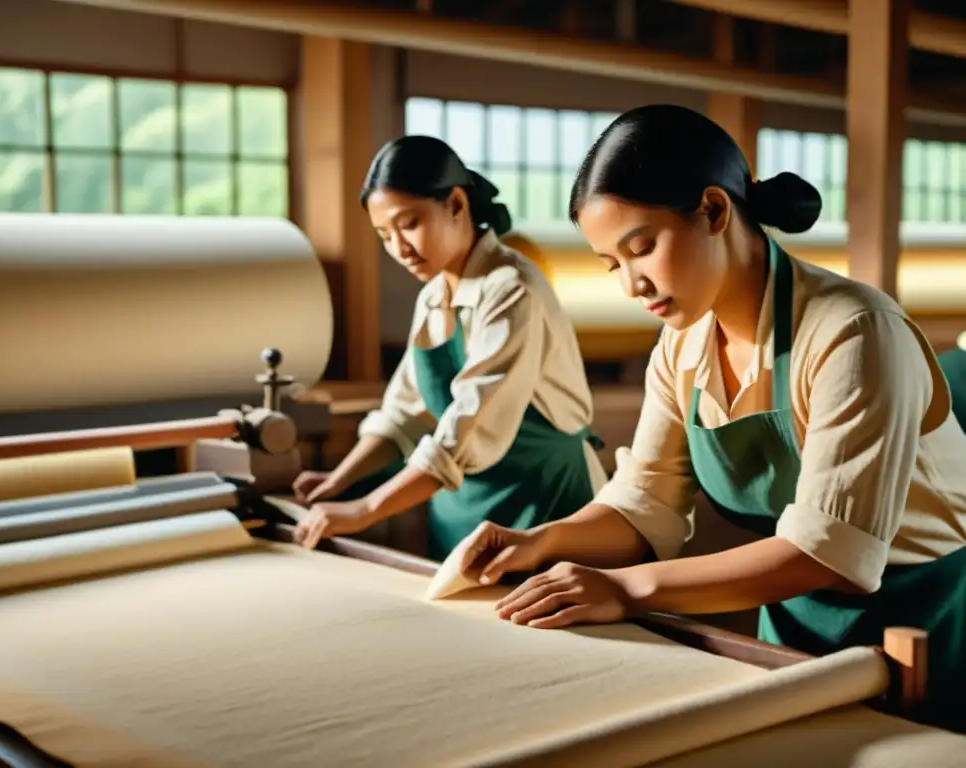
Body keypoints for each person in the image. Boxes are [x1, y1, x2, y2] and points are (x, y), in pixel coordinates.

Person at [451, 104, 966, 733]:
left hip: (927, 618)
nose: (632, 286)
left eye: (642, 248)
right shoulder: (682, 346)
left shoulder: (855, 333)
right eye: (613, 265)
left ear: (715, 211)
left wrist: (628, 589)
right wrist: (543, 541)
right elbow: (645, 503)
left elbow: (831, 552)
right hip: (790, 613)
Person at [291, 135, 607, 561]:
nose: (399, 248)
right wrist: (338, 481)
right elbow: (403, 413)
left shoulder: (512, 288)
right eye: (384, 234)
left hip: (544, 504)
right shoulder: (434, 295)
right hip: (462, 509)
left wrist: (365, 509)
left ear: (457, 204)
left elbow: (468, 424)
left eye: (409, 224)